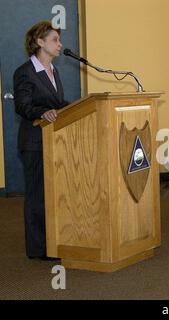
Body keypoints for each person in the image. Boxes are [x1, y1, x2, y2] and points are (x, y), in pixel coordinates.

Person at [14, 21, 68, 260]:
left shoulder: (54, 71)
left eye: (59, 39)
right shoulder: (24, 72)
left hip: (54, 141)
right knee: (37, 196)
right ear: (40, 42)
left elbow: (57, 105)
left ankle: (53, 241)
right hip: (35, 142)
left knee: (53, 194)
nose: (60, 44)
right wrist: (41, 112)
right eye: (55, 39)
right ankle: (38, 249)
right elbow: (23, 106)